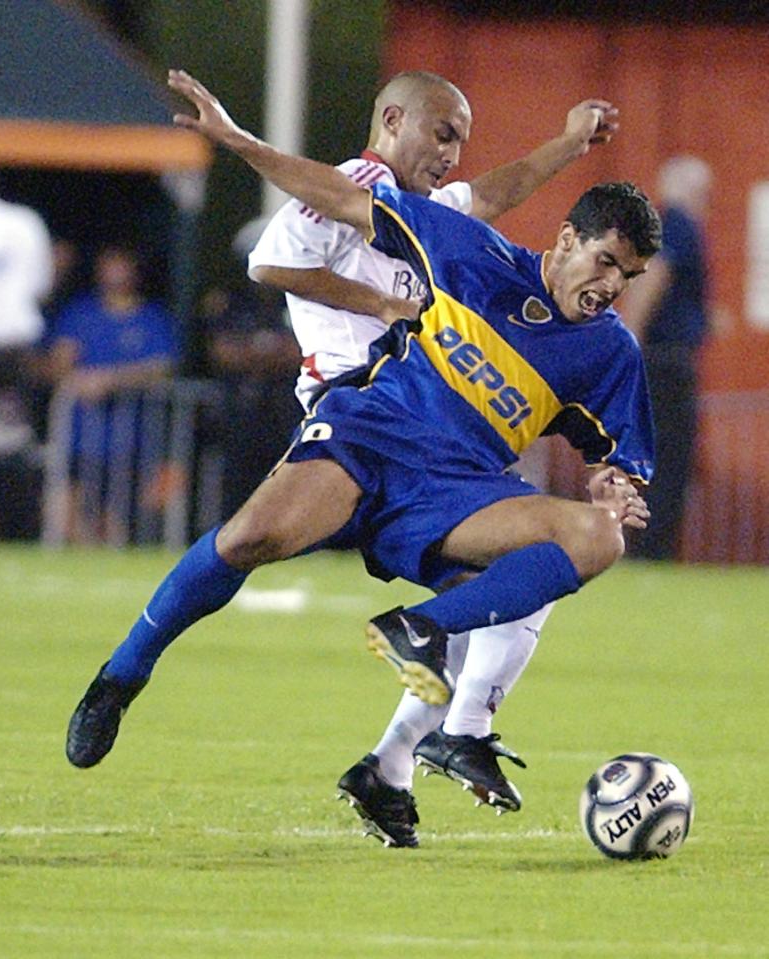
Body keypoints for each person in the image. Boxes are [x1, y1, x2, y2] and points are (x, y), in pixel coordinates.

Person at [66, 72, 657, 856]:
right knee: (247, 540)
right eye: (607, 263)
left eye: (629, 277)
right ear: (566, 242)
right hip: (367, 425)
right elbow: (320, 224)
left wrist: (616, 485)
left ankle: (421, 717)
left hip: (459, 489)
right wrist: (240, 142)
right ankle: (123, 673)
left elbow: (621, 458)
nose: (612, 287)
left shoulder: (609, 347)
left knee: (590, 542)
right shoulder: (453, 240)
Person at [247, 71, 619, 844]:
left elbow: (493, 192)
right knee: (531, 556)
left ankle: (391, 767)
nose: (453, 153)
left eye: (460, 140)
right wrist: (380, 303)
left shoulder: (416, 209)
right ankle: (458, 733)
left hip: (421, 420)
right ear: (392, 118)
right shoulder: (358, 186)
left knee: (514, 575)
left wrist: (567, 143)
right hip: (371, 420)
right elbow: (271, 263)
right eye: (443, 133)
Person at [45, 245, 179, 543]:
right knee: (67, 507)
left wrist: (111, 381)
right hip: (80, 435)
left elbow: (162, 366)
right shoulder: (80, 314)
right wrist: (75, 378)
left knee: (117, 515)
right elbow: (59, 361)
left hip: (130, 438)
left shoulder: (151, 318)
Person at [621, 155, 712, 560]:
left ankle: (649, 548)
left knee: (657, 457)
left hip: (658, 358)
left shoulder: (660, 226)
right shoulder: (679, 225)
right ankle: (653, 550)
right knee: (670, 458)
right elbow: (655, 278)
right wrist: (631, 342)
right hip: (665, 362)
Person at [0, 166, 54, 540]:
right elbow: (40, 286)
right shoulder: (24, 223)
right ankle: (17, 532)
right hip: (13, 350)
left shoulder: (22, 223)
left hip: (9, 354)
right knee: (13, 446)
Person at [203, 284, 301, 516]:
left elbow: (304, 352)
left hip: (286, 412)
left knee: (287, 482)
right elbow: (223, 352)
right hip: (242, 413)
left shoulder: (297, 300)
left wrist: (258, 356)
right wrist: (266, 355)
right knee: (238, 488)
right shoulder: (234, 303)